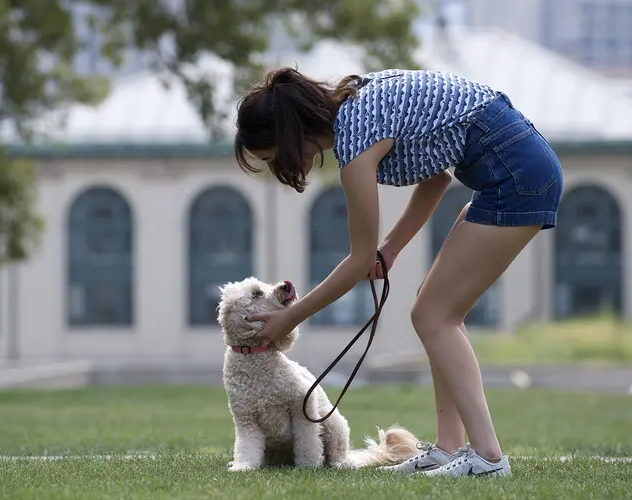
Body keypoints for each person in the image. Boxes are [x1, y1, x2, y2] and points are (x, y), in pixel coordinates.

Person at [233, 67, 563, 477]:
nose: (275, 167)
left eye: (269, 157)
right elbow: (436, 179)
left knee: (433, 315)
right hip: (511, 168)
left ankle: (489, 459)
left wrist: (288, 318)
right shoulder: (356, 105)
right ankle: (448, 448)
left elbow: (356, 261)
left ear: (284, 136)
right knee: (434, 310)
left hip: (516, 176)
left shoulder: (355, 138)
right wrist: (389, 250)